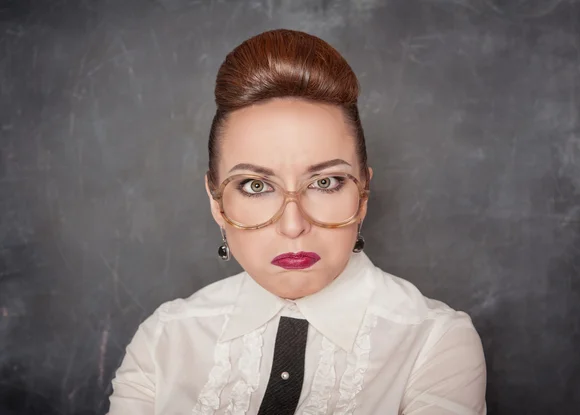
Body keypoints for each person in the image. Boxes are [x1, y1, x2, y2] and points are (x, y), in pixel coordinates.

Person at [107, 29, 486, 415]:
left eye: (324, 182)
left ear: (364, 192)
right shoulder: (164, 339)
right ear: (216, 200)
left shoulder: (434, 341)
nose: (293, 225)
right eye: (255, 185)